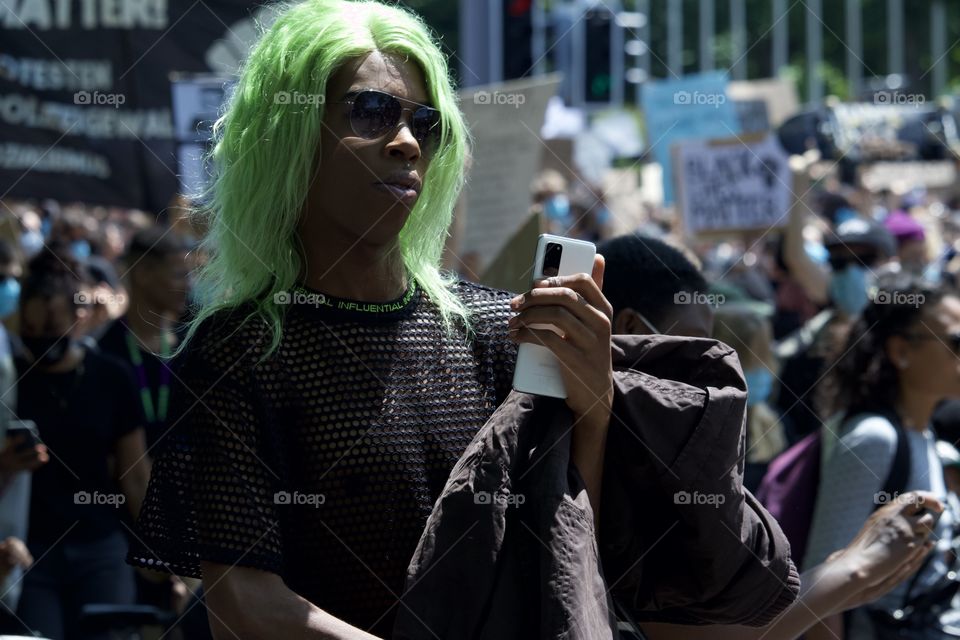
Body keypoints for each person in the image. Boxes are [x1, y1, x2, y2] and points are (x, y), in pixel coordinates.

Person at [127, 1, 615, 637]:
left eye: (426, 122)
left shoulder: (497, 330)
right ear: (290, 135)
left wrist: (595, 407)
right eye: (371, 111)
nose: (407, 141)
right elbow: (243, 606)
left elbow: (570, 545)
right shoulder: (237, 351)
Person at [804, 278, 960, 639]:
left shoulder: (920, 428)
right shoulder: (875, 437)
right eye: (956, 342)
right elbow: (821, 587)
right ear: (901, 351)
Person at [13, 245, 151, 640]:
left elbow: (135, 474)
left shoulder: (112, 377)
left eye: (52, 328)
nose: (41, 341)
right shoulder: (8, 378)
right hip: (31, 551)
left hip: (100, 547)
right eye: (32, 330)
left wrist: (158, 550)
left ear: (80, 318)